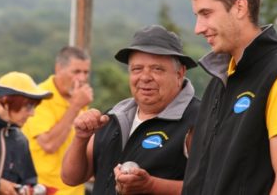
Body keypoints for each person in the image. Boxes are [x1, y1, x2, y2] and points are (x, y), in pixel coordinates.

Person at [181, 0, 277, 195]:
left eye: (206, 13)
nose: (198, 28)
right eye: (197, 16)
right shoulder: (219, 80)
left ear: (240, 7)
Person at [61, 24, 201, 195]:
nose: (145, 77)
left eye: (157, 69)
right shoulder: (113, 117)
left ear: (180, 73)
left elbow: (211, 187)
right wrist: (81, 137)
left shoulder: (199, 119)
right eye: (137, 69)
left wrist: (151, 186)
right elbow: (70, 178)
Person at [22, 46, 93, 195]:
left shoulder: (78, 99)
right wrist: (75, 106)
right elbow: (49, 144)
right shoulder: (39, 97)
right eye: (76, 72)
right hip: (45, 190)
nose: (82, 78)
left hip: (76, 190)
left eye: (85, 72)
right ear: (58, 69)